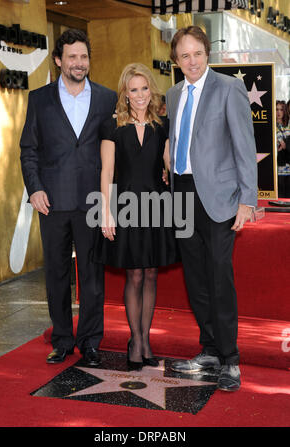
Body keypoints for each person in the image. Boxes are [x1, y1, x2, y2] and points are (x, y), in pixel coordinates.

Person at [166, 26, 257, 391]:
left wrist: (247, 199)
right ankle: (209, 350)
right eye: (184, 55)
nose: (192, 61)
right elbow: (178, 140)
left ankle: (231, 360)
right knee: (196, 278)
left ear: (207, 54)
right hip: (183, 195)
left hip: (219, 199)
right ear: (177, 60)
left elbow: (243, 145)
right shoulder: (173, 94)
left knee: (220, 277)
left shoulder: (229, 88)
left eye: (197, 54)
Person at [20, 29, 117, 366]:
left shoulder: (107, 99)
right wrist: (34, 188)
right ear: (59, 60)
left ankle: (91, 341)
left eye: (84, 56)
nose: (80, 63)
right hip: (53, 202)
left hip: (93, 202)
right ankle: (62, 339)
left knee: (92, 276)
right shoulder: (39, 99)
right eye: (72, 57)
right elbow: (28, 150)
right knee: (57, 274)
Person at [94, 63, 176, 370]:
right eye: (133, 90)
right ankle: (135, 339)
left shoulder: (162, 124)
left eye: (144, 88)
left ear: (150, 90)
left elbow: (170, 164)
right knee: (135, 274)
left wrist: (171, 170)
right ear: (125, 94)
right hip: (126, 206)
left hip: (157, 205)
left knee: (152, 273)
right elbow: (107, 172)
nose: (140, 95)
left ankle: (146, 339)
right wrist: (105, 212)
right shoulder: (111, 126)